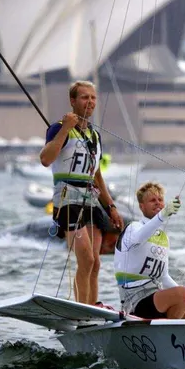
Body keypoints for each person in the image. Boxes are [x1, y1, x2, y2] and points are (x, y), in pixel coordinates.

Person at [39, 80, 123, 306]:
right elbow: (45, 159)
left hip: (91, 200)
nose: (90, 102)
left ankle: (92, 307)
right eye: (85, 97)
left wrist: (111, 207)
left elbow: (97, 176)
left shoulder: (94, 136)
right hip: (68, 200)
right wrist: (66, 127)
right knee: (84, 260)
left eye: (93, 97)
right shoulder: (58, 128)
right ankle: (83, 309)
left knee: (95, 262)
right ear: (73, 101)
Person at [114, 182, 185, 319]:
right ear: (141, 206)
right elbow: (139, 237)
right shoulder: (134, 227)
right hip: (134, 301)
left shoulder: (163, 237)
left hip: (156, 295)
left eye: (160, 200)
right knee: (182, 295)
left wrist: (182, 296)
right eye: (152, 200)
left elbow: (163, 277)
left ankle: (174, 325)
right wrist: (164, 214)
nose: (157, 203)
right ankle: (170, 331)